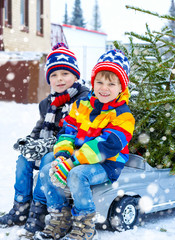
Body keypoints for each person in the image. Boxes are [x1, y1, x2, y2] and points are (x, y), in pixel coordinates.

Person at [33, 49, 135, 240]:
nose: (104, 88)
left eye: (111, 84)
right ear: (93, 82)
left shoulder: (123, 116)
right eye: (100, 82)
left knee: (77, 175)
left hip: (106, 163)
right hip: (76, 158)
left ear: (121, 87)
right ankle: (59, 218)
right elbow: (68, 131)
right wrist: (62, 156)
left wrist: (72, 163)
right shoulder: (82, 105)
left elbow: (105, 146)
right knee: (47, 170)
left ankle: (85, 225)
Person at [0, 43, 89, 237]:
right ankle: (20, 208)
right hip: (48, 144)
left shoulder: (83, 98)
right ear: (49, 79)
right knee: (23, 160)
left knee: (47, 160)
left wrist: (51, 145)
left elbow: (76, 130)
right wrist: (28, 142)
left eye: (65, 73)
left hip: (71, 147)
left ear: (75, 75)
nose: (59, 79)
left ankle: (39, 211)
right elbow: (39, 128)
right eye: (54, 75)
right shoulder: (47, 104)